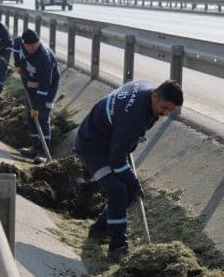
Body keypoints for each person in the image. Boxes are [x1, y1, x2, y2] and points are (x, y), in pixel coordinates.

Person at [74, 80, 183, 260]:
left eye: (170, 110)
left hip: (111, 141)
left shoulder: (145, 89)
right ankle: (117, 247)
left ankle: (99, 230)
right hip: (92, 146)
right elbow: (116, 161)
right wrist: (134, 183)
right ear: (155, 96)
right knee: (118, 190)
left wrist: (128, 145)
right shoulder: (133, 118)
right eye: (164, 107)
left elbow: (122, 145)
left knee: (126, 191)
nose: (165, 113)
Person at [11, 29, 60, 165]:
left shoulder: (44, 58)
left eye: (34, 45)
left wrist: (37, 107)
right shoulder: (21, 43)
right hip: (31, 85)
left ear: (38, 42)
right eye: (28, 46)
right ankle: (35, 147)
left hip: (47, 88)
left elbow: (44, 86)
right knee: (30, 118)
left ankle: (43, 153)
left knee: (41, 118)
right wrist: (17, 64)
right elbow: (16, 43)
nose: (31, 48)